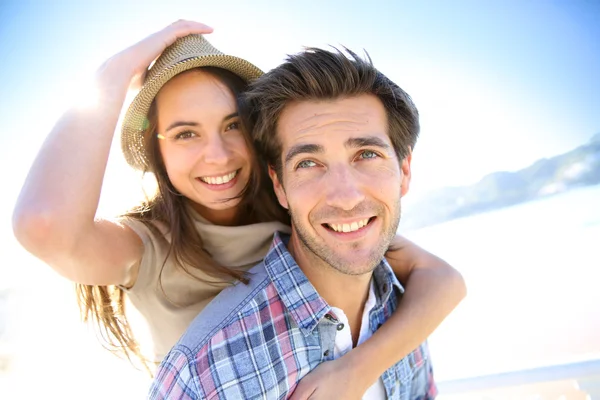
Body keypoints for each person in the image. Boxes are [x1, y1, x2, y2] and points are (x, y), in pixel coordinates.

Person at [12, 20, 464, 396]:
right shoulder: (149, 246)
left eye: (233, 125)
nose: (219, 155)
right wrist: (111, 77)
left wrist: (359, 369)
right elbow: (45, 226)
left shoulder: (299, 213)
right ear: (157, 154)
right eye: (186, 134)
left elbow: (442, 280)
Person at [149, 45, 436, 399]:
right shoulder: (204, 376)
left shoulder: (400, 303)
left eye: (366, 155)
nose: (345, 197)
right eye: (308, 163)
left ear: (404, 171)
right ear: (279, 186)